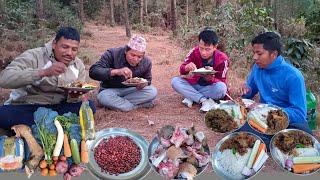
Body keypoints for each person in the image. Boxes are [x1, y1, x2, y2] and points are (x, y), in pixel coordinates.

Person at [0, 27, 95, 130]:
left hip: (59, 106)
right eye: (65, 47)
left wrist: (77, 93)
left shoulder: (78, 65)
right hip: (30, 106)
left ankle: (47, 123)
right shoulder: (34, 56)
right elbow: (4, 79)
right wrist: (43, 72)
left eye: (74, 49)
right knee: (3, 115)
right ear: (54, 44)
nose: (69, 53)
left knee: (89, 106)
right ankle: (55, 123)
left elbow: (74, 98)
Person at [235, 32, 312, 146]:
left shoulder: (293, 76)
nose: (254, 57)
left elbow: (299, 113)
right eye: (254, 53)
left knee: (304, 135)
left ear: (274, 54)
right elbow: (250, 92)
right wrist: (246, 89)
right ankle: (272, 141)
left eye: (259, 53)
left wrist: (267, 109)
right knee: (237, 125)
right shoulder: (258, 67)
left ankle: (268, 140)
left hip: (287, 120)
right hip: (263, 119)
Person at [89, 35, 157, 112]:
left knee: (152, 91)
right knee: (103, 97)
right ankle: (138, 106)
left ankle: (118, 105)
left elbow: (148, 80)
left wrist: (144, 84)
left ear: (143, 55)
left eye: (139, 57)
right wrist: (116, 71)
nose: (135, 59)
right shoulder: (112, 54)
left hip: (132, 91)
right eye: (133, 55)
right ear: (125, 51)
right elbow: (93, 71)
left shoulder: (146, 62)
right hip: (110, 90)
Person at [171, 29, 229, 112]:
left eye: (207, 49)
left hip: (210, 87)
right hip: (194, 84)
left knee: (222, 88)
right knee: (175, 81)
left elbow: (222, 81)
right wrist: (186, 67)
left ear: (215, 47)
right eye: (201, 48)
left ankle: (191, 96)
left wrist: (211, 79)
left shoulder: (223, 59)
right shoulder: (194, 52)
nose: (203, 52)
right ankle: (204, 101)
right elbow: (182, 70)